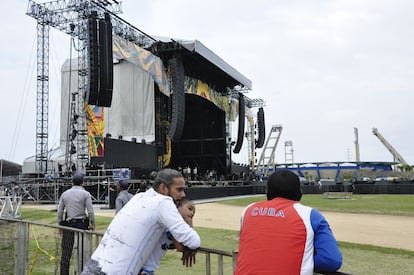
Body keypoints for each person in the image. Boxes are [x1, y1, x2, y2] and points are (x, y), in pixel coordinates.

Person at [81, 168, 200, 274]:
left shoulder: (139, 197)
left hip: (93, 265)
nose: (183, 194)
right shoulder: (163, 202)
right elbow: (193, 241)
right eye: (179, 190)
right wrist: (188, 220)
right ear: (163, 188)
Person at [235, 169, 342, 275]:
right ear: (300, 194)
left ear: (267, 193)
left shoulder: (248, 210)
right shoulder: (310, 215)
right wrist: (303, 259)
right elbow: (331, 261)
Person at [140, 198, 196, 275]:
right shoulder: (170, 224)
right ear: (178, 207)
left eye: (194, 212)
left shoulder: (177, 227)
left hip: (147, 269)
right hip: (142, 268)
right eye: (190, 209)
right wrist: (190, 225)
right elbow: (181, 247)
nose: (192, 213)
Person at [57, 172, 95, 275]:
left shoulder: (65, 194)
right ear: (82, 182)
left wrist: (60, 224)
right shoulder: (85, 194)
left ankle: (64, 273)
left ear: (72, 182)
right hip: (81, 224)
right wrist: (93, 223)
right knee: (83, 251)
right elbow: (90, 211)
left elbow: (60, 211)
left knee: (66, 252)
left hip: (69, 225)